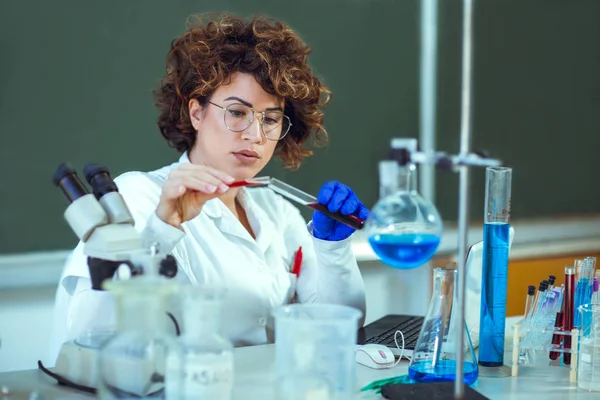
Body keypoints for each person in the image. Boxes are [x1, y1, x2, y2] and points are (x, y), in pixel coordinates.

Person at [49, 13, 369, 363]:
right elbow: (92, 340)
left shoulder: (277, 212)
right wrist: (163, 228)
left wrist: (333, 250)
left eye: (271, 119)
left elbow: (341, 329)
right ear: (196, 113)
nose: (255, 135)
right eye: (237, 112)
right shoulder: (138, 197)